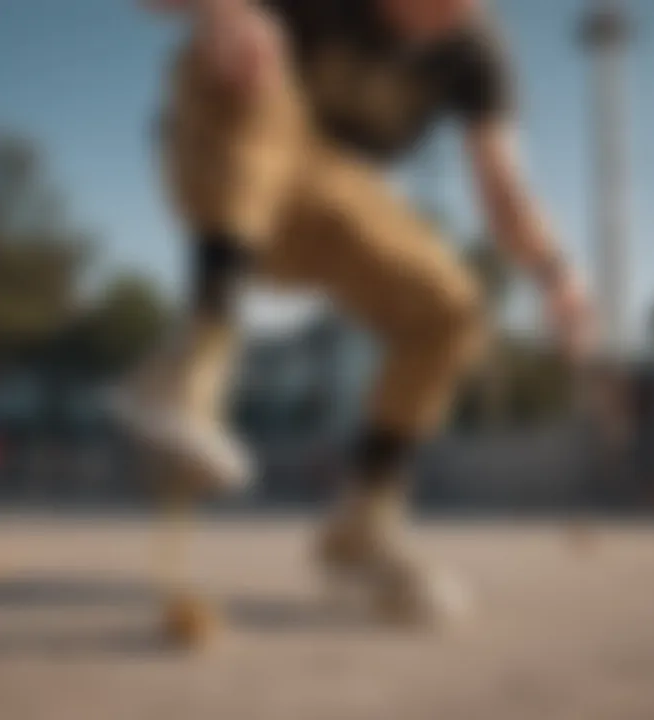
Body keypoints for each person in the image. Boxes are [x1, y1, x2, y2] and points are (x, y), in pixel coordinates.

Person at [120, 0, 593, 624]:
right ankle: (192, 368)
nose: (450, 15)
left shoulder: (474, 48)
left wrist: (555, 274)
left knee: (450, 308)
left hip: (329, 196)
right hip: (222, 150)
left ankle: (363, 525)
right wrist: (225, 11)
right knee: (257, 60)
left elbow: (502, 183)